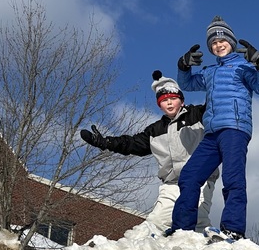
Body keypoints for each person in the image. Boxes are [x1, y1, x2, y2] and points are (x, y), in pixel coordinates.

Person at [169, 15, 259, 239]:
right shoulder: (210, 71)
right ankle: (182, 229)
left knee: (233, 178)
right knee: (189, 176)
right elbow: (187, 84)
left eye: (222, 40)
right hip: (212, 133)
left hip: (235, 129)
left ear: (231, 42)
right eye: (214, 43)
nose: (218, 45)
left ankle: (233, 229)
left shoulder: (244, 67)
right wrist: (183, 66)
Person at [79, 72, 218, 235]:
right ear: (160, 105)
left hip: (200, 180)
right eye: (164, 100)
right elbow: (131, 143)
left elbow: (216, 103)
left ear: (182, 100)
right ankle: (147, 247)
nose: (169, 102)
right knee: (157, 222)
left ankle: (211, 244)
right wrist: (105, 142)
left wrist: (217, 78)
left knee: (197, 217)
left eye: (173, 98)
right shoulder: (155, 130)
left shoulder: (197, 115)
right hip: (172, 184)